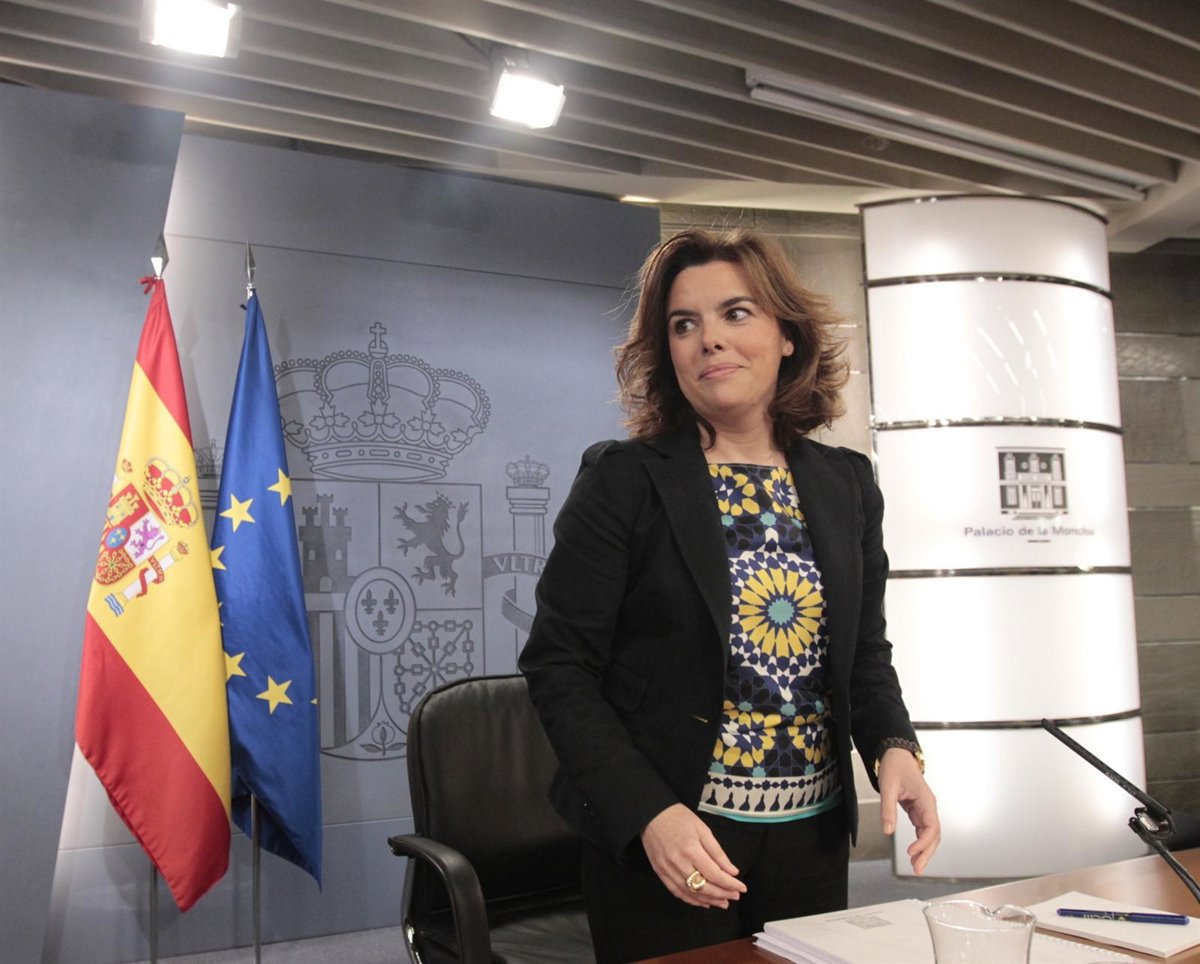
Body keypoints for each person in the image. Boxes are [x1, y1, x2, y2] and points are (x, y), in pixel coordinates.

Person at [519, 228, 940, 963]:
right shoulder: (623, 480)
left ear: (787, 336)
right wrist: (648, 814)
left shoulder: (846, 483)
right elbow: (560, 666)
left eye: (736, 313)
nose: (709, 338)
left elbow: (863, 652)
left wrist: (893, 747)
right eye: (684, 324)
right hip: (674, 841)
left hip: (810, 840)